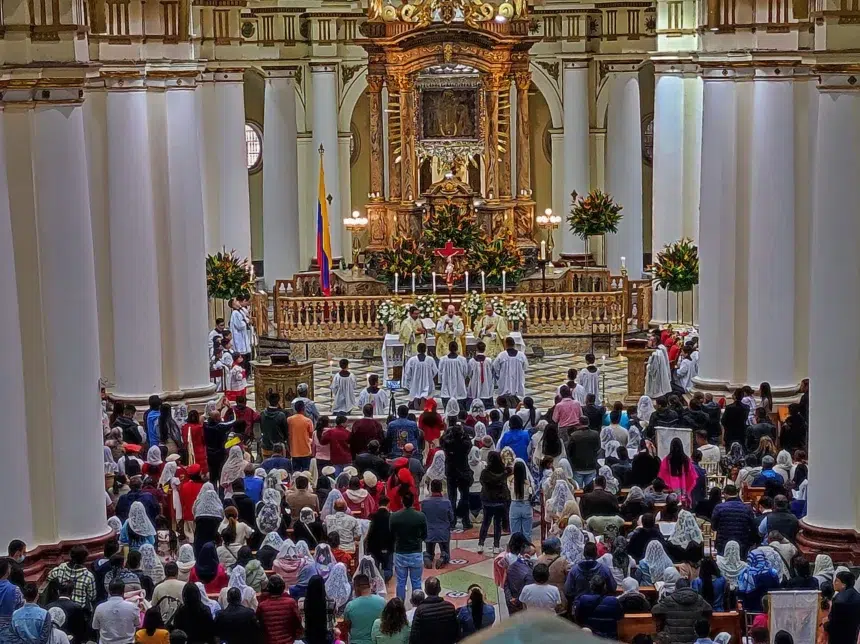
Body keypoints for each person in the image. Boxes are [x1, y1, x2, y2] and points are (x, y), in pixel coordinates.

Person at [651, 578, 713, 644]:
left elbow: (654, 610)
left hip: (672, 640)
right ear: (689, 586)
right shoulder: (698, 599)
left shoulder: (669, 600)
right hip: (692, 640)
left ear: (676, 587)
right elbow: (709, 609)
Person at [390, 493, 427, 600]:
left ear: (402, 502)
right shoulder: (420, 516)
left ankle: (399, 605)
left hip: (400, 552)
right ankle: (418, 604)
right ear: (413, 501)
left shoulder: (394, 516)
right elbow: (425, 535)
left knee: (401, 582)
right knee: (416, 581)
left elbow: (391, 534)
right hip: (415, 552)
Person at [440, 421, 473, 530]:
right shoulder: (465, 444)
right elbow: (470, 443)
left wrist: (448, 432)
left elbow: (442, 440)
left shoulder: (448, 443)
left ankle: (452, 521)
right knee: (465, 497)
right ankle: (466, 521)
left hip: (451, 471)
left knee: (452, 498)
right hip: (463, 470)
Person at [45, 545, 97, 612]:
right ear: (84, 559)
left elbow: (49, 577)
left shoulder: (61, 568)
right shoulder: (88, 576)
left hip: (62, 608)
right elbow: (92, 597)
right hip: (79, 610)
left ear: (70, 555)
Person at [564, 542, 616, 606]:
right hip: (599, 605)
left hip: (580, 606)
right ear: (596, 553)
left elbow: (567, 590)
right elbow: (613, 587)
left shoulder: (574, 570)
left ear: (584, 554)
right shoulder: (604, 569)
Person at [710, 485, 757, 555]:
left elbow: (714, 526)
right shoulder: (747, 508)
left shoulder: (719, 507)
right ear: (737, 493)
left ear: (725, 494)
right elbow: (753, 526)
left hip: (723, 542)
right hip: (742, 542)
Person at [408, 577, 457, 644]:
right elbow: (456, 630)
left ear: (425, 591)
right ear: (440, 589)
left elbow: (414, 635)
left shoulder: (420, 610)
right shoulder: (450, 607)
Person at [254, 574, 301, 644]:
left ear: (269, 588)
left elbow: (259, 624)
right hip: (288, 641)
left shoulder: (262, 606)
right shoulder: (291, 602)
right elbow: (297, 622)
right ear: (283, 587)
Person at [478, 451, 509, 555]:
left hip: (487, 501)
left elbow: (482, 483)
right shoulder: (504, 472)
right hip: (499, 502)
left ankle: (480, 544)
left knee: (485, 522)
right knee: (497, 524)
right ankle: (496, 545)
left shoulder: (485, 473)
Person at [92, 580, 140, 644]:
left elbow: (95, 626)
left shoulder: (99, 608)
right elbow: (137, 624)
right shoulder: (133, 607)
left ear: (109, 591)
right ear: (123, 591)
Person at [343, 574, 386, 644]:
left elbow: (347, 627)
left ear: (356, 588)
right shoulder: (382, 602)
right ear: (370, 586)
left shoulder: (350, 606)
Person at [422, 478, 453, 569]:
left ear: (431, 489)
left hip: (429, 532)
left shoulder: (424, 502)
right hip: (443, 532)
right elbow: (451, 518)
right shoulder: (447, 502)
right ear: (441, 489)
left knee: (429, 552)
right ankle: (443, 558)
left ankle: (427, 558)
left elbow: (423, 517)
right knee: (446, 552)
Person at [825, 570, 860, 644]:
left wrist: (825, 624)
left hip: (837, 638)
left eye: (837, 581)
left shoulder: (838, 599)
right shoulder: (858, 596)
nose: (834, 583)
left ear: (844, 584)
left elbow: (833, 623)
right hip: (853, 637)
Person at [566, 421, 600, 488]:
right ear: (588, 423)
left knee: (578, 490)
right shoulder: (595, 434)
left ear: (579, 424)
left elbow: (569, 450)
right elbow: (598, 448)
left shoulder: (573, 435)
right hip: (591, 465)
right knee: (590, 490)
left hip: (577, 466)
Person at [402, 344, 437, 410]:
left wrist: (408, 382)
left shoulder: (412, 360)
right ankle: (422, 401)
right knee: (426, 393)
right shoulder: (430, 359)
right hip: (427, 382)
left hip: (415, 383)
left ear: (417, 350)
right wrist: (428, 377)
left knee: (415, 392)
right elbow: (434, 372)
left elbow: (407, 373)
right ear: (425, 350)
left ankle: (416, 400)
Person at [494, 337, 528, 403]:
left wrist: (500, 374)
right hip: (517, 382)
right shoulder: (521, 355)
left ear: (506, 344)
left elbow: (495, 366)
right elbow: (525, 367)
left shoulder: (502, 355)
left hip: (505, 382)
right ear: (514, 344)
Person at [260, 393, 289, 461]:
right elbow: (285, 432)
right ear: (278, 402)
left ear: (268, 401)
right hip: (278, 448)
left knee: (267, 466)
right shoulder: (281, 415)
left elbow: (261, 428)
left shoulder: (263, 414)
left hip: (265, 445)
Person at [467, 342, 495, 408]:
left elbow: (469, 373)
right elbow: (491, 371)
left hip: (475, 384)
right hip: (486, 384)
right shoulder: (489, 360)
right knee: (486, 393)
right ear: (485, 349)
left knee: (474, 394)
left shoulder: (472, 361)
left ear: (476, 349)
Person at [287, 401, 314, 471]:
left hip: (294, 450)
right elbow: (311, 435)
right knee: (306, 472)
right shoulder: (308, 421)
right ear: (303, 408)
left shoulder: (289, 420)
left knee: (296, 473)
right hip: (305, 451)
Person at [646, 332, 673, 398]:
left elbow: (653, 369)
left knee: (656, 387)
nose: (648, 341)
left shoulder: (656, 353)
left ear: (654, 342)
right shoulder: (659, 350)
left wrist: (647, 366)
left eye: (650, 340)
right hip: (661, 371)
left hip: (656, 375)